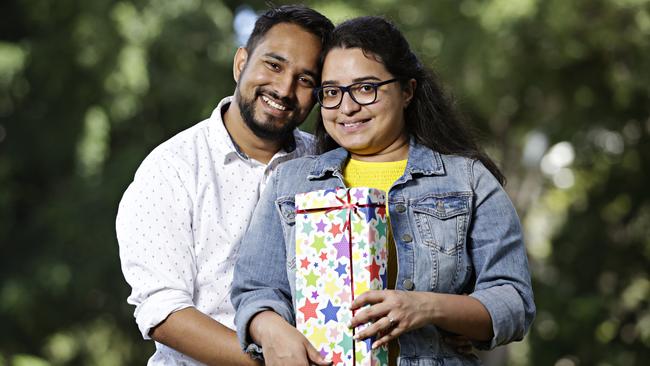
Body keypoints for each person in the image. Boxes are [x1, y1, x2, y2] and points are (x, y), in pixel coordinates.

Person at [231, 16, 535, 365]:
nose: (347, 107)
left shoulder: (468, 181)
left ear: (407, 90)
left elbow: (514, 301)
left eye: (365, 88)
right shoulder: (290, 182)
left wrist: (427, 307)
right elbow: (255, 290)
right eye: (331, 92)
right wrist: (271, 328)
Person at [115, 5, 333, 365]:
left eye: (305, 79)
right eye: (273, 65)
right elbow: (162, 311)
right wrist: (271, 362)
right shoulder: (171, 169)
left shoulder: (326, 165)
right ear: (240, 63)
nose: (283, 88)